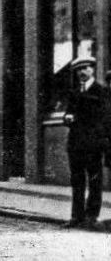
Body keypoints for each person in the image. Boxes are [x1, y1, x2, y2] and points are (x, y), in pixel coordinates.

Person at [62, 58, 110, 229]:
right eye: (78, 70)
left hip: (92, 144)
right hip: (75, 144)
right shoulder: (74, 92)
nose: (81, 72)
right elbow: (67, 114)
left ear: (92, 70)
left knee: (94, 181)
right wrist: (67, 118)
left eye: (85, 68)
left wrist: (100, 141)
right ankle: (76, 216)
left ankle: (91, 216)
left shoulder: (101, 91)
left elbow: (105, 119)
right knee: (77, 181)